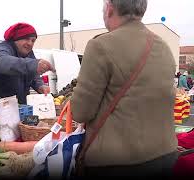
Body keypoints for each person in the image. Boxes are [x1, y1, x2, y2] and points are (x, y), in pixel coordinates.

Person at [71, 0, 178, 177]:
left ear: (110, 9)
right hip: (164, 156)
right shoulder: (163, 46)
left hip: (117, 163)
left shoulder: (100, 45)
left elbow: (81, 112)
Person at [0, 22, 55, 104]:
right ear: (16, 39)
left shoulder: (29, 53)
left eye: (33, 41)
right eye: (26, 39)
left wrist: (39, 85)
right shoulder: (2, 48)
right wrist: (33, 64)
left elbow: (32, 74)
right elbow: (0, 62)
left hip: (13, 107)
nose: (30, 43)